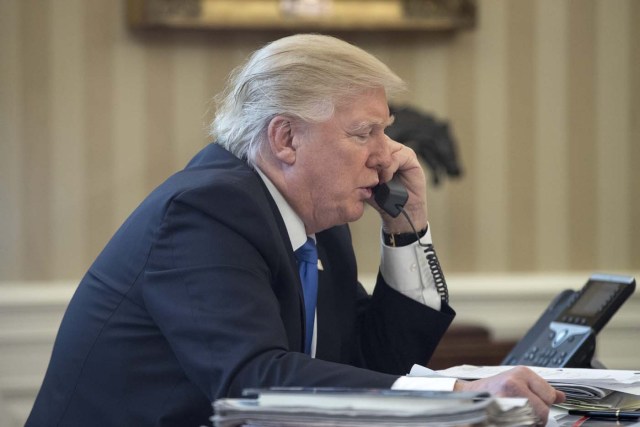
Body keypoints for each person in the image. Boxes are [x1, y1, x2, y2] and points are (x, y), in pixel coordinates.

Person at [26, 34, 564, 427]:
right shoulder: (207, 209)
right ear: (285, 138)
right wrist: (459, 392)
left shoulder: (317, 223)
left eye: (385, 132)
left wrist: (407, 229)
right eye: (364, 133)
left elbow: (377, 362)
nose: (388, 157)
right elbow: (254, 378)